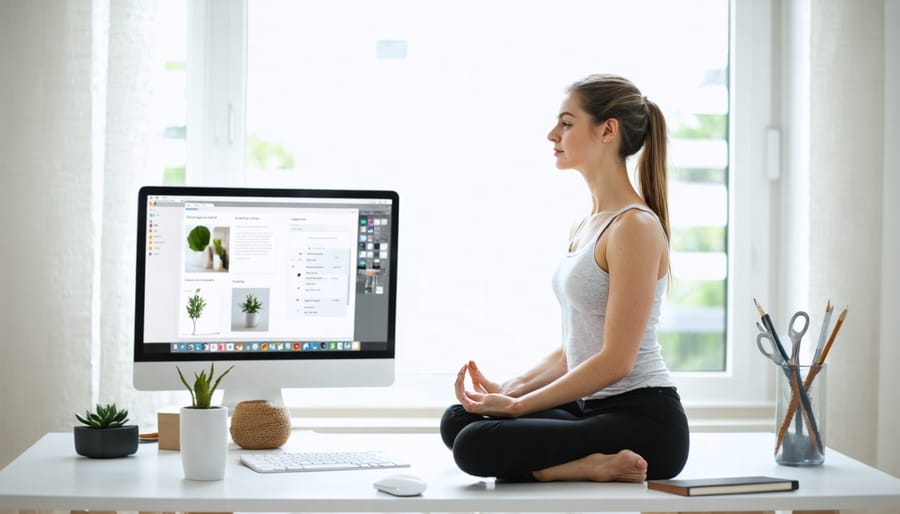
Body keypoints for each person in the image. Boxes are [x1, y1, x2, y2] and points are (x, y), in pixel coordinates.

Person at [439, 74, 689, 483]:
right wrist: (511, 388)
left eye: (567, 123)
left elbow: (615, 361)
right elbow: (576, 345)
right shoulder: (588, 224)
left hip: (645, 421)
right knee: (459, 420)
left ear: (608, 130)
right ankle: (577, 461)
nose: (552, 133)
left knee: (474, 445)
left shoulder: (635, 227)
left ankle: (586, 467)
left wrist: (519, 408)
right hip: (593, 408)